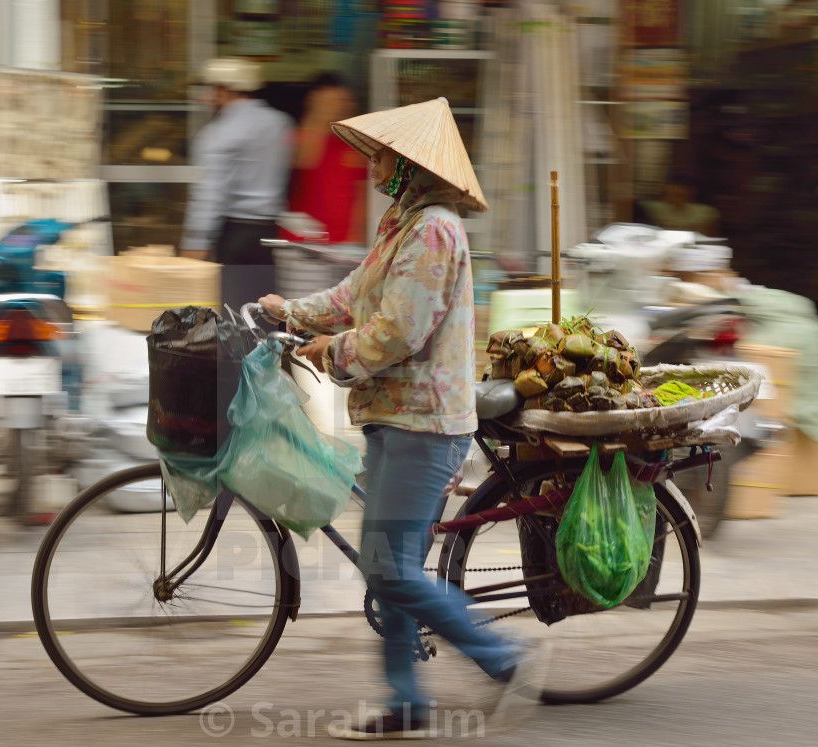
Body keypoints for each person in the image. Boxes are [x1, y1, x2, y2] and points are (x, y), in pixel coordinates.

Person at [260, 97, 548, 740]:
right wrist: (294, 312)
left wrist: (328, 351)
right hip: (393, 414)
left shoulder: (434, 231)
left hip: (425, 420)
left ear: (410, 164)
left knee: (387, 568)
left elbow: (399, 330)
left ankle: (506, 659)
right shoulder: (402, 223)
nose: (373, 164)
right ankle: (406, 704)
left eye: (383, 154)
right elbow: (354, 295)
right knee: (390, 570)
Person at [179, 57, 294, 312]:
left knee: (236, 315)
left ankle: (238, 353)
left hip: (235, 234)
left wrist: (196, 241)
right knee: (266, 312)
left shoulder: (221, 131)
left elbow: (212, 192)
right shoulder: (279, 123)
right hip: (267, 234)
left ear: (223, 89)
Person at [283, 73, 366, 244]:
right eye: (332, 100)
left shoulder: (356, 146)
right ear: (315, 101)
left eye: (345, 100)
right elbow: (303, 162)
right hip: (302, 239)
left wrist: (357, 236)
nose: (340, 106)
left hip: (344, 242)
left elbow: (362, 194)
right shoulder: (298, 138)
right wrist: (319, 118)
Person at [638, 176, 720, 236]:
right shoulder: (653, 207)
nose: (672, 198)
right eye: (668, 194)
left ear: (690, 193)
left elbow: (709, 237)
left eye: (678, 195)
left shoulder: (705, 212)